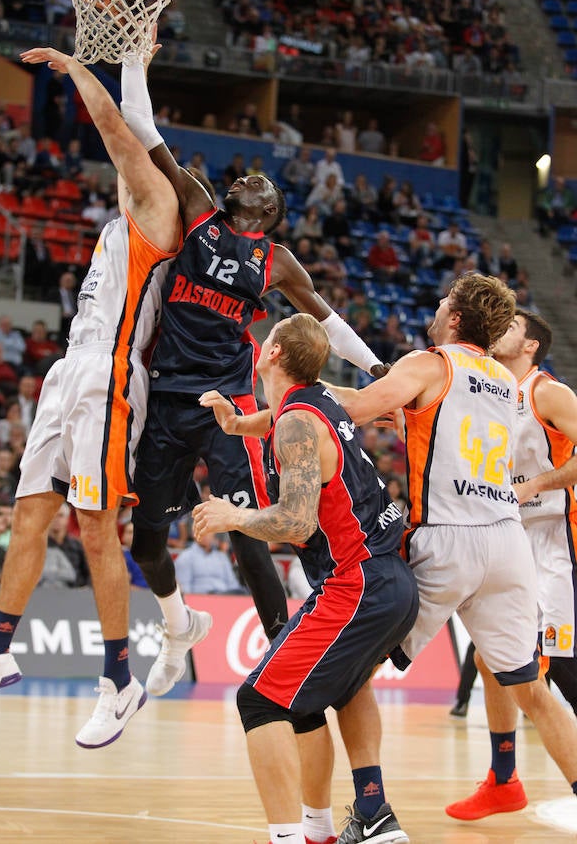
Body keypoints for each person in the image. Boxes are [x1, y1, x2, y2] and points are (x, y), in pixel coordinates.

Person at [119, 57, 389, 700]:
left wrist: (374, 364)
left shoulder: (278, 262)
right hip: (166, 398)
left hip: (229, 404)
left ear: (270, 214)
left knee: (251, 530)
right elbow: (137, 120)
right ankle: (177, 626)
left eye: (260, 183)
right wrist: (135, 54)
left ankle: (279, 651)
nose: (248, 179)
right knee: (148, 545)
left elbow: (328, 321)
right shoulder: (196, 206)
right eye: (244, 176)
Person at [0, 43, 184, 750]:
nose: (130, 161)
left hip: (111, 377)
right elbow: (130, 127)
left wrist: (81, 68)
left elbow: (120, 131)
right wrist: (132, 64)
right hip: (70, 372)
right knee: (30, 509)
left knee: (94, 527)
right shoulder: (123, 216)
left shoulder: (160, 210)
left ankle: (117, 679)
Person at [328, 274, 577, 818]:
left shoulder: (430, 361)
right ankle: (508, 780)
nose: (436, 309)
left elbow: (356, 411)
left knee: (350, 675)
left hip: (449, 541)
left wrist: (286, 402)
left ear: (456, 319)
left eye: (443, 304)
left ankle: (371, 811)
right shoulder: (503, 381)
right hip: (508, 542)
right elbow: (392, 405)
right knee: (532, 689)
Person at [193, 313, 418, 844]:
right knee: (333, 692)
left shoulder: (297, 423)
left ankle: (290, 838)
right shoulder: (316, 402)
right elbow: (278, 420)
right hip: (388, 580)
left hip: (357, 584)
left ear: (271, 355)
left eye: (267, 339)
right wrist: (235, 424)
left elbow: (296, 521)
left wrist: (233, 516)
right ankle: (367, 817)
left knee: (259, 701)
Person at [446, 308, 577, 819]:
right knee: (489, 657)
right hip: (508, 537)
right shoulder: (491, 388)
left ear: (531, 346)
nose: (502, 328)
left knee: (555, 665)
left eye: (514, 326)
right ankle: (503, 781)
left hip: (554, 540)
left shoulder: (547, 391)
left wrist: (536, 484)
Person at [175, 532, 246, 594]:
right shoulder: (185, 557)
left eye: (209, 531)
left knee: (245, 592)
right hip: (202, 600)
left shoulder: (222, 557)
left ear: (214, 534)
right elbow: (185, 590)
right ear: (194, 534)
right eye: (202, 531)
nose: (207, 535)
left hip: (226, 597)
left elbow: (233, 584)